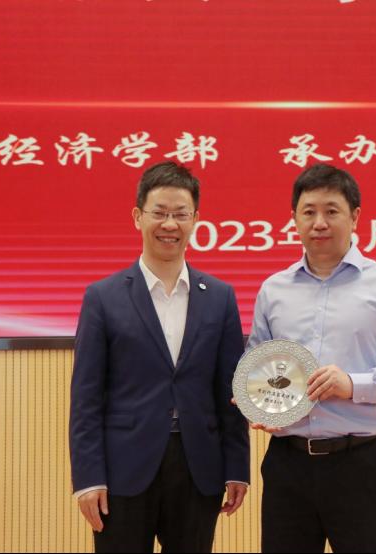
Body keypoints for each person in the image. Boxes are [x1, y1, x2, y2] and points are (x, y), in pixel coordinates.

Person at [246, 164, 376, 553]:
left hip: (358, 464)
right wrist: (256, 400)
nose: (319, 222)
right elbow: (257, 361)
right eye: (308, 211)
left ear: (355, 216)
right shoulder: (273, 290)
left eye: (331, 211)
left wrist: (353, 384)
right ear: (294, 218)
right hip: (286, 465)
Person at [69, 161, 249, 553]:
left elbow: (230, 390)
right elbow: (86, 398)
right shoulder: (103, 297)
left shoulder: (220, 297)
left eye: (181, 214)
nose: (170, 224)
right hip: (123, 470)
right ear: (138, 216)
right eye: (160, 213)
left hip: (198, 467)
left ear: (195, 220)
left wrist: (237, 467)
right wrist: (88, 477)